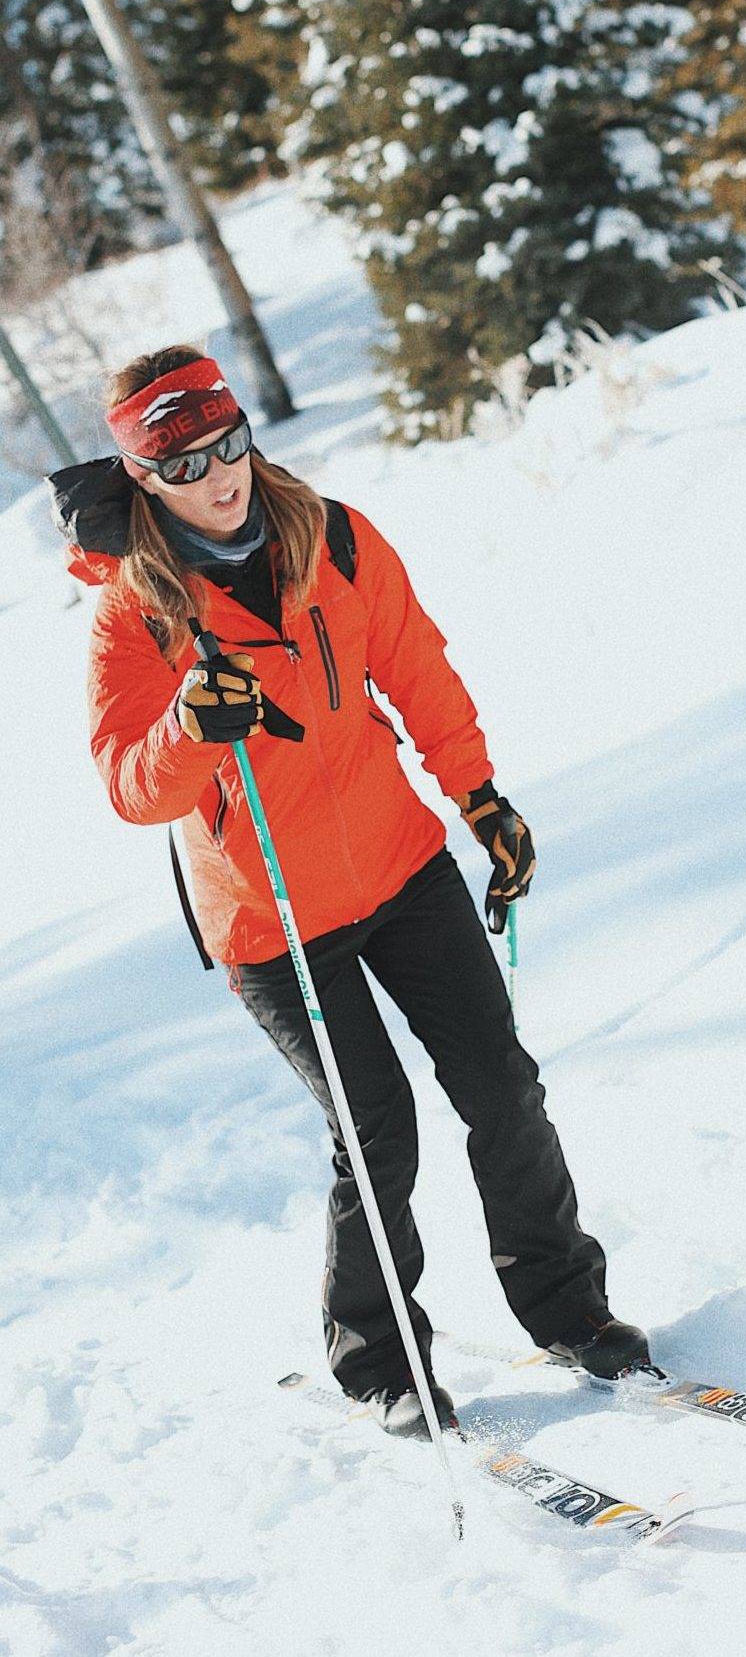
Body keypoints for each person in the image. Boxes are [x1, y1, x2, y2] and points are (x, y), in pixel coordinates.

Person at [48, 344, 649, 1435]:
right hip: (269, 915)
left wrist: (480, 799)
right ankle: (378, 1362)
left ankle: (567, 1307)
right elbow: (129, 784)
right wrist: (193, 727)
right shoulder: (134, 614)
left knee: (501, 1083)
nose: (219, 477)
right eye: (184, 465)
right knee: (377, 1128)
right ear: (141, 477)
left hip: (400, 863)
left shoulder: (332, 537)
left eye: (228, 446)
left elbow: (415, 667)